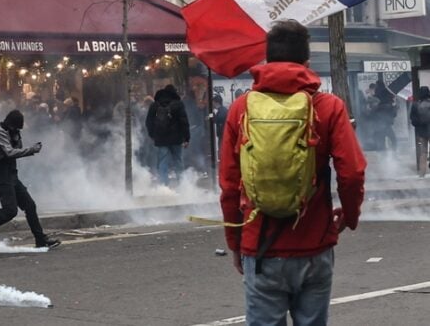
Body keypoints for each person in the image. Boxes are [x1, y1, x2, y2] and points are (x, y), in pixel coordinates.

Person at [219, 20, 366, 326]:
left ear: (266, 60)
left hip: (260, 247)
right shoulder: (328, 107)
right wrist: (349, 217)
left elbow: (230, 186)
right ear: (306, 63)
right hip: (314, 244)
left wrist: (235, 242)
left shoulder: (241, 109)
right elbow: (351, 174)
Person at [0, 110, 60, 253]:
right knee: (9, 211)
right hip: (0, 174)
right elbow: (9, 152)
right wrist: (32, 150)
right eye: (15, 128)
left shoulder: (10, 132)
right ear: (10, 124)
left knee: (29, 205)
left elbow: (16, 148)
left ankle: (41, 240)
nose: (17, 130)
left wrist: (17, 137)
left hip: (11, 173)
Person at [145, 84, 190, 185]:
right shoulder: (179, 104)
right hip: (176, 138)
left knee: (162, 162)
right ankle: (182, 185)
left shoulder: (155, 105)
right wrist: (186, 138)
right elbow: (184, 122)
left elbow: (148, 122)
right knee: (178, 161)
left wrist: (153, 135)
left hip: (161, 139)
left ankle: (164, 186)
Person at [410, 86, 430, 178]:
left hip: (421, 131)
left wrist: (418, 125)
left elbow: (412, 119)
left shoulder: (415, 105)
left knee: (423, 152)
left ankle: (422, 173)